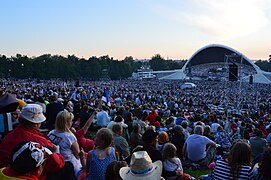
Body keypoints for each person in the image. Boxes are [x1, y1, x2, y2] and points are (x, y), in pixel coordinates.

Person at [0, 104, 66, 179]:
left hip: (6, 173)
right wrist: (57, 153)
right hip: (29, 176)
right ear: (36, 124)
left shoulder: (8, 136)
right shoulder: (40, 140)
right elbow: (56, 164)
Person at [48, 110, 82, 177]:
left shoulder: (51, 133)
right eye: (71, 121)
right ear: (66, 123)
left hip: (54, 164)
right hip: (70, 167)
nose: (72, 122)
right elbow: (78, 155)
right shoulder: (70, 136)